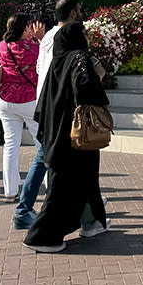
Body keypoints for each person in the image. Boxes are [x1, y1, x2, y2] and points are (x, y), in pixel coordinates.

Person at [24, 22, 110, 253]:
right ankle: (43, 237)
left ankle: (92, 222)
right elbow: (85, 86)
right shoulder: (80, 58)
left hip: (58, 133)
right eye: (83, 33)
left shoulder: (58, 60)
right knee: (64, 189)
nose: (86, 37)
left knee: (81, 182)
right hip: (74, 138)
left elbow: (44, 103)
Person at [12, 0, 81, 230]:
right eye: (79, 11)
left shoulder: (49, 37)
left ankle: (84, 206)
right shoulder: (64, 38)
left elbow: (42, 69)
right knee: (46, 157)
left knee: (52, 158)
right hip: (55, 106)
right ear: (71, 14)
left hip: (45, 103)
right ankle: (24, 210)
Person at [0, 13, 45, 202]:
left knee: (10, 145)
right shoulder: (33, 48)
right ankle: (50, 188)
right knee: (43, 145)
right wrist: (38, 38)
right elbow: (45, 58)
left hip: (6, 100)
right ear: (24, 28)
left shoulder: (3, 46)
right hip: (29, 101)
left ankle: (10, 191)